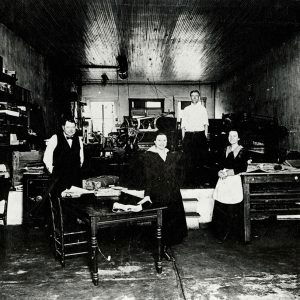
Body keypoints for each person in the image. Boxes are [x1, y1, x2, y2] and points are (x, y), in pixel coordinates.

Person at [138, 132, 187, 260]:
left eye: (164, 140)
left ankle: (166, 245)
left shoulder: (171, 154)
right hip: (158, 193)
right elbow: (147, 177)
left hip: (173, 192)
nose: (162, 142)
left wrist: (177, 185)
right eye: (159, 140)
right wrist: (147, 194)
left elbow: (179, 172)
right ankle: (161, 248)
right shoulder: (148, 156)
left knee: (173, 220)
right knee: (161, 221)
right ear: (154, 142)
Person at [212, 130, 248, 242]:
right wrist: (219, 171)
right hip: (223, 180)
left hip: (233, 180)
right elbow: (219, 163)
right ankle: (221, 233)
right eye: (230, 136)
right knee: (221, 206)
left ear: (238, 138)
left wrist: (227, 173)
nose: (232, 138)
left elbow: (242, 168)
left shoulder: (242, 151)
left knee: (232, 207)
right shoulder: (225, 149)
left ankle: (233, 235)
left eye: (234, 136)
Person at [43, 116, 84, 195]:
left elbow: (81, 158)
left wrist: (76, 169)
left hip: (75, 176)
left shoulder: (78, 139)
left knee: (75, 200)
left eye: (73, 127)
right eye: (68, 127)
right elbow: (47, 158)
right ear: (63, 127)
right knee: (60, 200)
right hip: (59, 177)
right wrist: (53, 172)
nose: (71, 129)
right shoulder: (55, 138)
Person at [181, 90, 209, 186]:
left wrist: (204, 137)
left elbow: (206, 124)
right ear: (190, 97)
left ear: (199, 97)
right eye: (192, 96)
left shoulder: (203, 109)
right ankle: (189, 182)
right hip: (188, 136)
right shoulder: (186, 109)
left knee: (200, 159)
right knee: (188, 159)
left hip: (200, 136)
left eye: (196, 96)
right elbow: (183, 125)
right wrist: (184, 138)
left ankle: (199, 182)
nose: (194, 98)